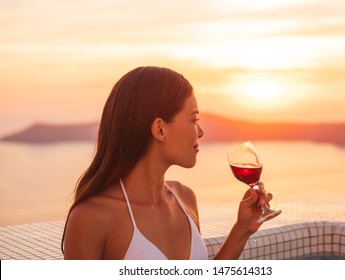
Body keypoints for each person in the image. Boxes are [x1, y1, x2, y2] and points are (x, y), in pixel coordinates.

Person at [61, 66, 273, 260]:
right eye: (194, 120)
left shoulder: (185, 199)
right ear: (160, 129)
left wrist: (242, 229)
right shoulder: (92, 217)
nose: (200, 132)